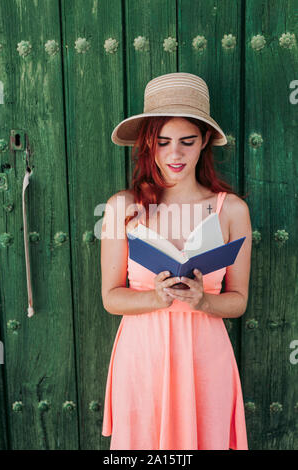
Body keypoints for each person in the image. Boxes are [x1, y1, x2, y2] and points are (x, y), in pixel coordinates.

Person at [100, 72, 252, 450]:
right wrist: (157, 297)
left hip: (205, 358)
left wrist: (202, 301)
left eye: (187, 141)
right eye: (163, 142)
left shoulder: (231, 210)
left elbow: (238, 301)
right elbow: (110, 297)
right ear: (149, 145)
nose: (175, 154)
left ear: (204, 142)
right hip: (142, 358)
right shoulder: (122, 207)